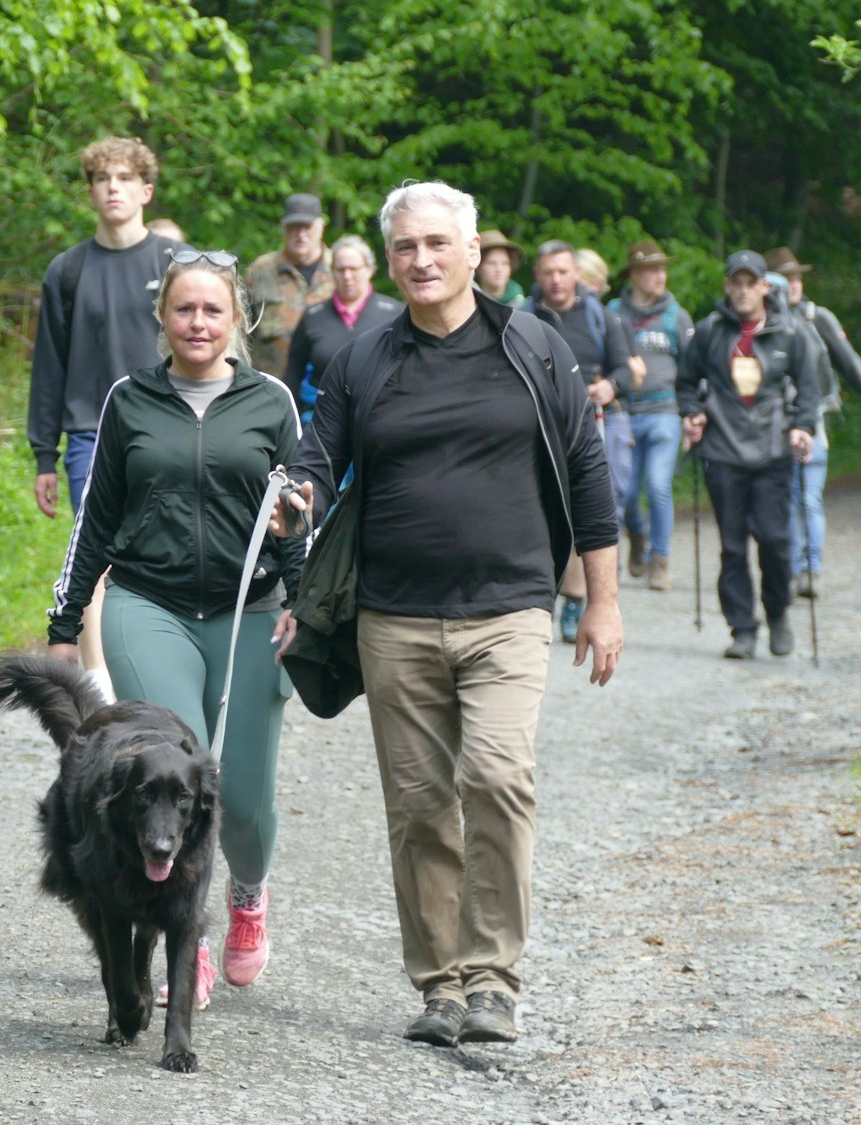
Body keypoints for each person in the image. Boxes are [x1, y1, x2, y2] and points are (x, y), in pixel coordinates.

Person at [276, 181, 621, 1047]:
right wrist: (296, 497)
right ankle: (440, 983)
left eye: (437, 244)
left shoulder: (535, 350)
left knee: (498, 777)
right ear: (388, 261)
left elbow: (586, 471)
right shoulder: (367, 360)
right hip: (391, 616)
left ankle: (495, 979)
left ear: (473, 253)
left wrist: (603, 602)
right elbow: (318, 456)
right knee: (420, 802)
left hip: (509, 609)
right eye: (405, 248)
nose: (421, 260)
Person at [46, 249, 307, 1004]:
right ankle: (179, 938)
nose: (198, 322)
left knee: (246, 801)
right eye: (184, 309)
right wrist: (65, 622)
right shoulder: (130, 398)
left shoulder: (272, 403)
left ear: (237, 320)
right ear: (163, 318)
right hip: (147, 605)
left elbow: (296, 520)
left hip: (252, 613)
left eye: (213, 310)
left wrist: (302, 604)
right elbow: (95, 516)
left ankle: (248, 894)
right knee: (173, 769)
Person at [28, 136, 185, 701]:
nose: (112, 188)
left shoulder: (174, 263)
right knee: (94, 558)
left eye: (124, 178)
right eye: (102, 179)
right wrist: (43, 453)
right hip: (91, 434)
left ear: (145, 190)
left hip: (168, 428)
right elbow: (48, 366)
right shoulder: (67, 270)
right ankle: (99, 688)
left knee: (161, 552)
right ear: (91, 191)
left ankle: (160, 666)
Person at [678, 250, 824, 659]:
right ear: (727, 286)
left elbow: (809, 387)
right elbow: (686, 381)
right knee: (733, 546)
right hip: (723, 450)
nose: (743, 291)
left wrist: (803, 426)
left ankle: (778, 614)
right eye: (735, 283)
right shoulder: (709, 331)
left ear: (764, 287)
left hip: (773, 450)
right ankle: (742, 629)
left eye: (750, 283)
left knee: (776, 541)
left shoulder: (789, 332)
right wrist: (691, 414)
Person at [764, 247, 861, 599]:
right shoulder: (759, 324)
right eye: (785, 278)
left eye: (796, 277)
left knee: (808, 498)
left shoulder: (817, 318)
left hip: (813, 423)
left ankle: (810, 569)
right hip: (769, 425)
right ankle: (790, 568)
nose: (793, 284)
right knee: (785, 500)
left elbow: (851, 365)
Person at [524, 240, 632, 642]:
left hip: (592, 422)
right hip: (537, 424)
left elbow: (624, 366)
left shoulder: (601, 317)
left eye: (563, 272)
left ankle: (575, 602)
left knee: (584, 507)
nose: (555, 280)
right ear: (538, 275)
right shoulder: (522, 317)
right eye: (548, 272)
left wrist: (609, 385)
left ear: (575, 274)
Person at [608, 239, 694, 591]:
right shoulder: (613, 311)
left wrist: (692, 413)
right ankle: (637, 535)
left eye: (662, 269)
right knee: (626, 493)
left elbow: (692, 367)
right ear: (634, 275)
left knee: (658, 486)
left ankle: (660, 560)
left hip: (664, 411)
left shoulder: (677, 316)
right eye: (651, 270)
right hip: (624, 412)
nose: (660, 276)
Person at [282, 234, 403, 422]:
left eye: (354, 269)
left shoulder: (394, 313)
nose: (347, 276)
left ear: (369, 269)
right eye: (341, 269)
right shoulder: (313, 316)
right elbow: (293, 374)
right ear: (332, 271)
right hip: (320, 420)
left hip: (380, 420)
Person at [244, 192, 335, 378]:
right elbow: (239, 332)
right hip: (270, 387)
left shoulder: (341, 270)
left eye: (307, 227)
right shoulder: (260, 272)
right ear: (283, 227)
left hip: (329, 387)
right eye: (294, 227)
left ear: (320, 227)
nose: (301, 235)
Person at [475, 229, 524, 304]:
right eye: (491, 263)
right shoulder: (467, 304)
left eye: (505, 263)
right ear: (478, 266)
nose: (499, 269)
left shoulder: (523, 306)